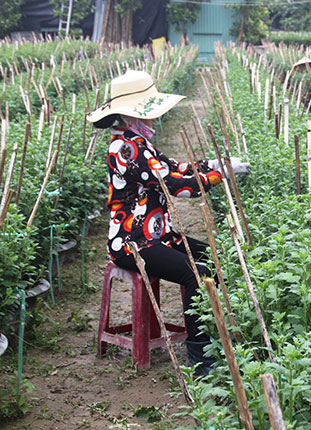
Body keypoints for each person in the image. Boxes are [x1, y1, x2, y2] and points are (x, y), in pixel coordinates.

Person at [88, 70, 228, 375]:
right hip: (133, 243)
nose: (154, 120)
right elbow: (173, 184)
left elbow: (174, 167)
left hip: (159, 236)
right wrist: (216, 177)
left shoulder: (138, 142)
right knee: (197, 274)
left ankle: (216, 333)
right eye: (148, 114)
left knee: (218, 258)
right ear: (130, 116)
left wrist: (210, 165)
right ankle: (201, 358)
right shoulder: (125, 149)